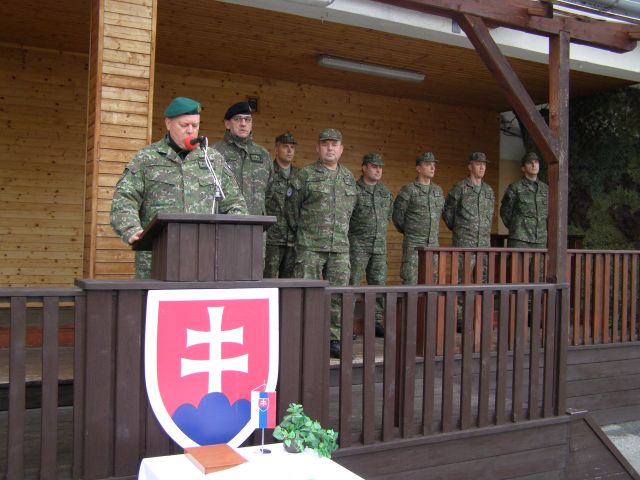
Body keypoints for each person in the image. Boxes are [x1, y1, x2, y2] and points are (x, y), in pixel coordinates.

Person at [110, 97, 248, 278]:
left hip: (204, 259)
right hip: (157, 259)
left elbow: (235, 202)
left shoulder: (212, 160)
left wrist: (233, 233)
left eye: (195, 125)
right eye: (184, 125)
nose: (191, 130)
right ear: (168, 123)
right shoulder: (147, 158)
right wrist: (131, 229)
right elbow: (124, 198)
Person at [285, 128, 357, 358]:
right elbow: (291, 210)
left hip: (339, 249)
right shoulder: (305, 175)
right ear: (318, 148)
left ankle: (334, 339)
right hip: (310, 248)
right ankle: (307, 338)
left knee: (338, 296)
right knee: (307, 295)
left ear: (341, 149)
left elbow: (351, 211)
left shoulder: (348, 178)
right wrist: (305, 236)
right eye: (325, 144)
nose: (330, 148)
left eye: (334, 144)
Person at [349, 153, 394, 336]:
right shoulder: (354, 190)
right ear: (364, 168)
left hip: (379, 247)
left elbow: (389, 216)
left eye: (380, 167)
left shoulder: (385, 193)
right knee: (352, 285)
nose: (378, 170)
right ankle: (346, 324)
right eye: (374, 166)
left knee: (379, 286)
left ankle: (375, 321)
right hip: (357, 246)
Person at [392, 152, 445, 285]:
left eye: (433, 165)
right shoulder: (408, 190)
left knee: (432, 282)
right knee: (411, 281)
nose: (432, 168)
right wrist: (411, 231)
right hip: (414, 245)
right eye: (428, 164)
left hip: (433, 244)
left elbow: (443, 214)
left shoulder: (438, 191)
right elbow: (397, 216)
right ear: (418, 168)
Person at [213, 101, 272, 216]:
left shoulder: (263, 155)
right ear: (227, 124)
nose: (243, 124)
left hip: (257, 223)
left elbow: (269, 192)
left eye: (247, 119)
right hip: (225, 223)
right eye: (237, 119)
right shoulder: (214, 152)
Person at [264, 132, 299, 278]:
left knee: (290, 283)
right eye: (285, 147)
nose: (290, 151)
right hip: (272, 238)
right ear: (276, 149)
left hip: (293, 238)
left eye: (292, 147)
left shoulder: (300, 175)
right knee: (268, 279)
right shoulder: (268, 172)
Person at [443, 151, 495, 249]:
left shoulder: (488, 190)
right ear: (470, 167)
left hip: (484, 245)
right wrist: (459, 228)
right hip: (464, 244)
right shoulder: (460, 188)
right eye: (478, 164)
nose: (482, 167)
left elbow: (490, 214)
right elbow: (448, 211)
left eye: (484, 164)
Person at [500, 151, 548, 249]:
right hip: (520, 239)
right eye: (530, 162)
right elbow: (505, 212)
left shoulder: (546, 189)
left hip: (541, 239)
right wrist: (516, 227)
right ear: (523, 168)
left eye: (536, 162)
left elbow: (550, 213)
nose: (534, 165)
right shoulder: (515, 187)